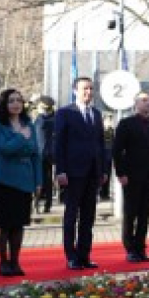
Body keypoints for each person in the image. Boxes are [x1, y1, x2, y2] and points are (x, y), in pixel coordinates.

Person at [54, 76, 109, 270]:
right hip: (73, 172)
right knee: (71, 215)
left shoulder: (96, 113)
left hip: (93, 172)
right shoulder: (65, 113)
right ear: (75, 90)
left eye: (91, 89)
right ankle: (71, 256)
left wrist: (103, 170)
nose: (89, 92)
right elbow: (59, 143)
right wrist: (60, 170)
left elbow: (101, 144)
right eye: (85, 89)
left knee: (88, 216)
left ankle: (84, 255)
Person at [0, 89, 42, 276]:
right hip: (3, 179)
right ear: (4, 104)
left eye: (19, 100)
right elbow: (3, 150)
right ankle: (2, 262)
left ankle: (15, 262)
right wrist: (20, 136)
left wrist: (38, 180)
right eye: (11, 101)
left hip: (24, 180)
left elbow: (35, 154)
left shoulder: (29, 124)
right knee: (3, 224)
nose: (16, 104)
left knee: (19, 224)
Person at [112, 92, 149, 262]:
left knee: (144, 214)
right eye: (144, 100)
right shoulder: (126, 123)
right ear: (135, 104)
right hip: (132, 176)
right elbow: (117, 150)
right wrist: (121, 173)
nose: (147, 103)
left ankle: (141, 248)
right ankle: (130, 249)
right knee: (130, 214)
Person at [33, 96, 56, 213]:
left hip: (41, 154)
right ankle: (46, 204)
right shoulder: (52, 118)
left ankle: (38, 203)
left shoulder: (42, 119)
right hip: (46, 154)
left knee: (40, 180)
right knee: (46, 180)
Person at [99, 114, 115, 201]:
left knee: (108, 175)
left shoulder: (111, 129)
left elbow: (113, 142)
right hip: (102, 155)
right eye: (108, 118)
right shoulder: (101, 129)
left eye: (111, 118)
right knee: (102, 174)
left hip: (109, 155)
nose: (110, 120)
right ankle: (101, 192)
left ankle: (106, 193)